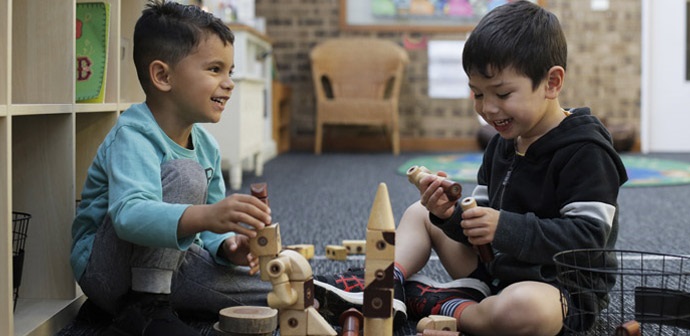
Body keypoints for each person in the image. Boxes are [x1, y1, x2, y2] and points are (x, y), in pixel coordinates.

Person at [314, 1, 628, 335]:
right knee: (419, 213)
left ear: (552, 83)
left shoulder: (586, 151)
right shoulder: (502, 143)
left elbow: (588, 239)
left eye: (503, 93)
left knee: (524, 311)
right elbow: (477, 231)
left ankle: (433, 302)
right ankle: (384, 286)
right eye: (477, 93)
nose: (488, 108)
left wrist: (504, 226)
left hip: (557, 291)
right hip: (493, 272)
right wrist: (448, 215)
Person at [70, 1, 273, 335]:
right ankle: (146, 311)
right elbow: (129, 215)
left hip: (170, 264)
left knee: (268, 291)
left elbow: (206, 231)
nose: (229, 83)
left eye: (230, 72)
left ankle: (322, 289)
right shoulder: (133, 134)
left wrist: (226, 244)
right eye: (214, 70)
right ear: (163, 76)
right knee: (185, 174)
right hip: (106, 271)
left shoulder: (206, 145)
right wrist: (208, 215)